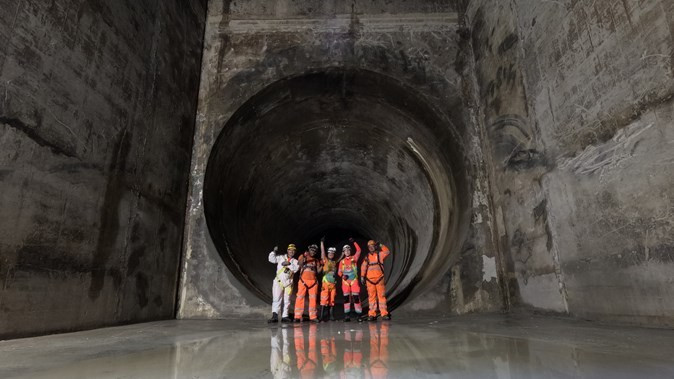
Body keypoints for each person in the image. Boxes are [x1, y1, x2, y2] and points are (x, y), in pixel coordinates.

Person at [268, 244, 299, 323]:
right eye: (290, 250)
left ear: (294, 252)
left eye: (293, 250)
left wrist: (288, 264)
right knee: (276, 299)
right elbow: (271, 259)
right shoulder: (281, 257)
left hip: (288, 284)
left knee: (287, 300)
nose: (291, 251)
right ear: (287, 250)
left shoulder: (295, 261)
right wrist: (274, 251)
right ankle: (274, 316)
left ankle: (285, 316)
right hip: (278, 282)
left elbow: (295, 269)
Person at [361, 240, 391, 321]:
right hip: (370, 281)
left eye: (372, 245)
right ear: (368, 248)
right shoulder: (367, 257)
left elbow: (387, 252)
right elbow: (363, 267)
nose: (371, 247)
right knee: (371, 298)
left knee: (381, 297)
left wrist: (381, 245)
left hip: (379, 279)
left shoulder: (380, 254)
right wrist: (362, 276)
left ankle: (384, 314)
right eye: (369, 246)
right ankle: (372, 314)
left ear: (375, 246)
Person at [294, 244, 321, 322]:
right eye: (312, 250)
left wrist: (322, 265)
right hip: (303, 281)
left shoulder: (316, 261)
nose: (313, 252)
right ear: (309, 250)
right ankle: (297, 316)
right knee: (300, 297)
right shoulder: (303, 256)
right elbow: (300, 264)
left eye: (314, 251)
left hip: (313, 282)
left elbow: (318, 271)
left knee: (313, 299)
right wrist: (304, 256)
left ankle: (313, 317)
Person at [338, 238, 362, 321]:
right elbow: (339, 272)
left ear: (350, 251)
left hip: (354, 280)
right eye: (345, 250)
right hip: (345, 282)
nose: (347, 251)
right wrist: (342, 276)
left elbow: (359, 250)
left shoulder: (354, 258)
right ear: (343, 252)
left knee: (356, 298)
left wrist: (354, 242)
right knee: (346, 299)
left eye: (348, 250)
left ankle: (359, 315)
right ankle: (347, 316)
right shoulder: (342, 261)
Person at [319, 238, 338, 322]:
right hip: (326, 283)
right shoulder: (325, 260)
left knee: (332, 300)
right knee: (324, 299)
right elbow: (322, 252)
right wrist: (322, 242)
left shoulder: (334, 263)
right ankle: (321, 317)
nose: (331, 254)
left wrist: (342, 254)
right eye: (330, 253)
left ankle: (331, 316)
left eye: (332, 253)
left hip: (333, 284)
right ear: (328, 254)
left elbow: (340, 259)